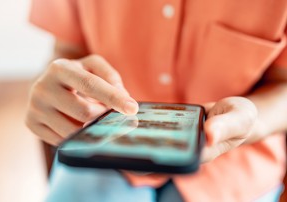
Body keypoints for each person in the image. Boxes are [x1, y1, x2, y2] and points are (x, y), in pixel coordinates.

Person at [25, 0, 287, 201]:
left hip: (239, 159)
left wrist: (253, 119)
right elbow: (69, 52)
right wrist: (61, 90)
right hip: (105, 140)